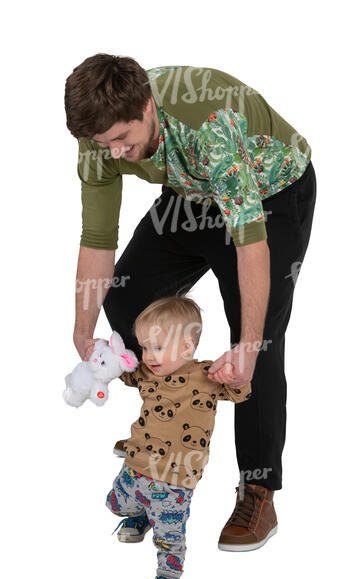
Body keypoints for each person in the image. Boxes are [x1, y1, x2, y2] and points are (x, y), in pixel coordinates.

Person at [65, 56, 317, 553]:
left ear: (146, 105)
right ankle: (165, 424)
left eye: (123, 139)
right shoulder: (99, 139)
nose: (116, 152)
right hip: (194, 190)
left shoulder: (208, 125)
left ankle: (258, 488)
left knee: (257, 341)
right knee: (130, 297)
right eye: (105, 144)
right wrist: (81, 329)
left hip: (268, 190)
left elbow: (250, 243)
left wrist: (244, 346)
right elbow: (97, 240)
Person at [105, 294, 254, 579]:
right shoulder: (146, 371)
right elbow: (126, 372)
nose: (148, 355)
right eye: (144, 347)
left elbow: (241, 391)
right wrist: (107, 357)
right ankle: (142, 513)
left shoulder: (207, 375)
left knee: (168, 537)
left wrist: (234, 372)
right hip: (135, 464)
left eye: (156, 347)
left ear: (186, 347)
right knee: (115, 504)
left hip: (175, 479)